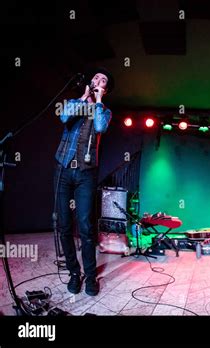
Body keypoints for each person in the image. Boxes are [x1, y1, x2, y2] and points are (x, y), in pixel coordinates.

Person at [54, 67, 114, 296]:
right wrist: (84, 97)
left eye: (104, 80)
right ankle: (73, 273)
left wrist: (97, 101)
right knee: (64, 225)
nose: (99, 79)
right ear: (90, 81)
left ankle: (90, 276)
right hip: (63, 169)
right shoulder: (73, 102)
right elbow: (64, 117)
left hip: (86, 173)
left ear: (105, 90)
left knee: (86, 226)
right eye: (97, 77)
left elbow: (99, 127)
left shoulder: (105, 111)